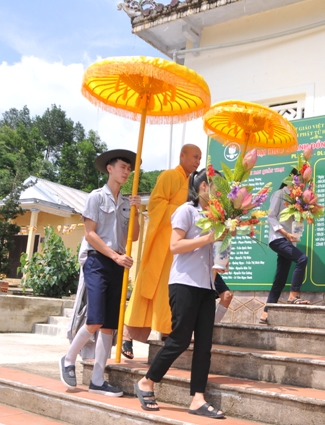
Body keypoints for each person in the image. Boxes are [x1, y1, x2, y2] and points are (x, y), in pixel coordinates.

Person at [133, 168, 226, 419]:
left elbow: (212, 250)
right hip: (184, 284)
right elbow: (174, 246)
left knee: (204, 345)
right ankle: (147, 381)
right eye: (218, 187)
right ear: (204, 187)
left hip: (207, 286)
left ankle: (197, 399)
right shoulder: (187, 210)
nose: (222, 193)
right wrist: (208, 238)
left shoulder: (216, 216)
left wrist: (222, 252)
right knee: (180, 339)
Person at [59, 149, 141, 397]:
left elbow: (134, 236)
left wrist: (136, 212)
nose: (126, 172)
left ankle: (97, 379)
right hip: (97, 260)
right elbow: (90, 234)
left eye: (129, 169)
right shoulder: (95, 197)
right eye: (123, 167)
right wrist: (114, 256)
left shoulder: (127, 203)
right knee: (95, 319)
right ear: (110, 168)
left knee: (109, 326)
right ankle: (68, 359)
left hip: (118, 264)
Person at [121, 144, 202, 359]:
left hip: (177, 243)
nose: (198, 161)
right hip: (161, 242)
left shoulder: (191, 183)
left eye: (200, 158)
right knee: (149, 286)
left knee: (169, 289)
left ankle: (167, 330)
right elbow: (156, 204)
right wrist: (183, 211)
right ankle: (127, 334)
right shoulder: (169, 176)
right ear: (182, 155)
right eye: (195, 157)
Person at [259, 168, 310, 325]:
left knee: (280, 278)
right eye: (300, 180)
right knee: (302, 259)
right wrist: (286, 234)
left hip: (288, 240)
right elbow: (271, 217)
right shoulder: (279, 194)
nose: (301, 184)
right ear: (292, 179)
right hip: (278, 238)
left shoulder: (297, 199)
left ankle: (265, 313)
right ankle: (293, 295)